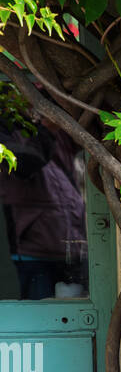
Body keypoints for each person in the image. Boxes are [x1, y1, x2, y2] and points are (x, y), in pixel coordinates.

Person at [0, 114, 88, 299]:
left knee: (76, 319)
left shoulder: (55, 126)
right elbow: (25, 163)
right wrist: (48, 129)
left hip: (70, 245)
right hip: (33, 251)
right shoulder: (7, 128)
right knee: (38, 318)